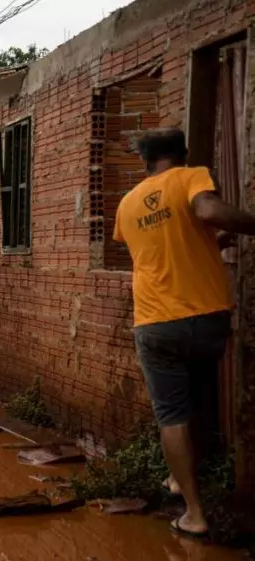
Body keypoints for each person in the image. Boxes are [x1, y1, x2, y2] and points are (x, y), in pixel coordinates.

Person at [113, 127, 255, 539]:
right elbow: (200, 219)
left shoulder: (127, 203)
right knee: (197, 400)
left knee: (171, 415)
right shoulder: (191, 176)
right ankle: (183, 478)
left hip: (157, 322)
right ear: (183, 154)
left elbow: (158, 247)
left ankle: (193, 511)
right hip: (208, 319)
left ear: (145, 161)